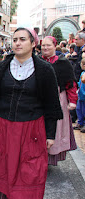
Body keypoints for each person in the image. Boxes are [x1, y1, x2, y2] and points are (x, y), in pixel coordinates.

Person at [0, 28, 63, 199]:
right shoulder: (2, 67)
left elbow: (51, 104)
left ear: (33, 44)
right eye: (15, 39)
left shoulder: (44, 69)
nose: (17, 43)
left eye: (22, 39)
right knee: (4, 165)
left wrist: (50, 134)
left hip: (32, 128)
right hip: (3, 127)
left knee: (29, 169)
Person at [41, 36, 78, 166]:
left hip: (58, 98)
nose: (45, 48)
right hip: (40, 99)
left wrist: (72, 101)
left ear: (54, 46)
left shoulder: (63, 62)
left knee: (55, 128)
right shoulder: (37, 61)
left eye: (48, 45)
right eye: (43, 45)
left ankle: (50, 158)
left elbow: (71, 83)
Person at [75, 58, 85, 132]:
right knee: (79, 109)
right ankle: (80, 122)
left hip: (83, 95)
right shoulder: (82, 73)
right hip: (80, 96)